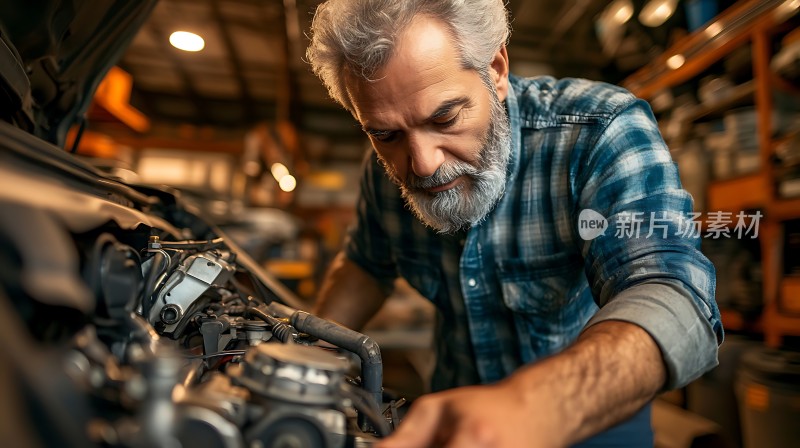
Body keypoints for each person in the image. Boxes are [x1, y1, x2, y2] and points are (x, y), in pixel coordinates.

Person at [306, 0, 723, 446]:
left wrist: (534, 407)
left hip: (592, 426)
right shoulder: (382, 173)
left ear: (497, 69)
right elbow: (366, 264)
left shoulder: (599, 131)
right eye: (385, 134)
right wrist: (304, 359)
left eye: (445, 117)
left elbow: (673, 291)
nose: (423, 165)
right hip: (452, 425)